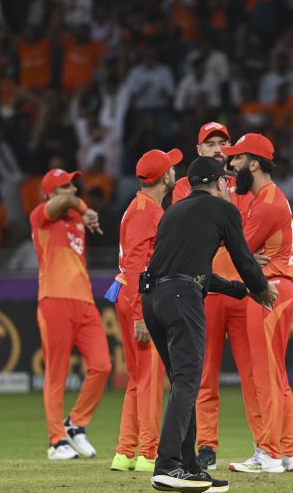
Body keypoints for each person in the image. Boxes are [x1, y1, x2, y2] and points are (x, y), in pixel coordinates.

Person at [143, 156, 277, 493]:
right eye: (226, 181)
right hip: (181, 300)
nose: (229, 186)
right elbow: (243, 258)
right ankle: (168, 465)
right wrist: (260, 288)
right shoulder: (224, 211)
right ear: (219, 183)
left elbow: (197, 273)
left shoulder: (172, 213)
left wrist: (239, 291)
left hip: (153, 298)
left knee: (181, 385)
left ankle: (188, 468)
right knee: (188, 382)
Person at [172, 122, 259, 472]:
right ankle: (206, 444)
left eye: (224, 142)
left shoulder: (243, 184)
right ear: (199, 149)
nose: (219, 148)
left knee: (253, 372)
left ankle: (263, 443)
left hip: (239, 289)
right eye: (211, 143)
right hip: (206, 287)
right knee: (203, 372)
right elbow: (195, 231)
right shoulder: (185, 187)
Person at [222, 134, 293, 473]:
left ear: (254, 164)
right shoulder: (267, 198)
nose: (230, 166)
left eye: (237, 159)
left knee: (266, 376)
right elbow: (245, 252)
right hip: (275, 288)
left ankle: (269, 454)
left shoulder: (268, 202)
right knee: (276, 374)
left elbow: (237, 250)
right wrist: (247, 255)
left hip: (268, 291)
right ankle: (291, 451)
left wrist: (246, 256)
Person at [108, 148, 182, 473]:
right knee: (151, 377)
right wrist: (141, 313)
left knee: (138, 379)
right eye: (171, 168)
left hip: (132, 292)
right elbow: (137, 263)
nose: (175, 172)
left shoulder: (142, 207)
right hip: (142, 296)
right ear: (165, 177)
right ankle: (148, 454)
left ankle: (124, 452)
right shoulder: (145, 212)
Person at [29, 168, 112, 460]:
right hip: (53, 299)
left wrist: (84, 212)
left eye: (73, 185)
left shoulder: (76, 217)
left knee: (102, 366)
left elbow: (72, 204)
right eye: (65, 186)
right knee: (57, 373)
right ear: (51, 193)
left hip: (85, 301)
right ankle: (56, 442)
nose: (73, 190)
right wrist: (85, 208)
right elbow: (60, 204)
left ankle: (75, 423)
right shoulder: (40, 215)